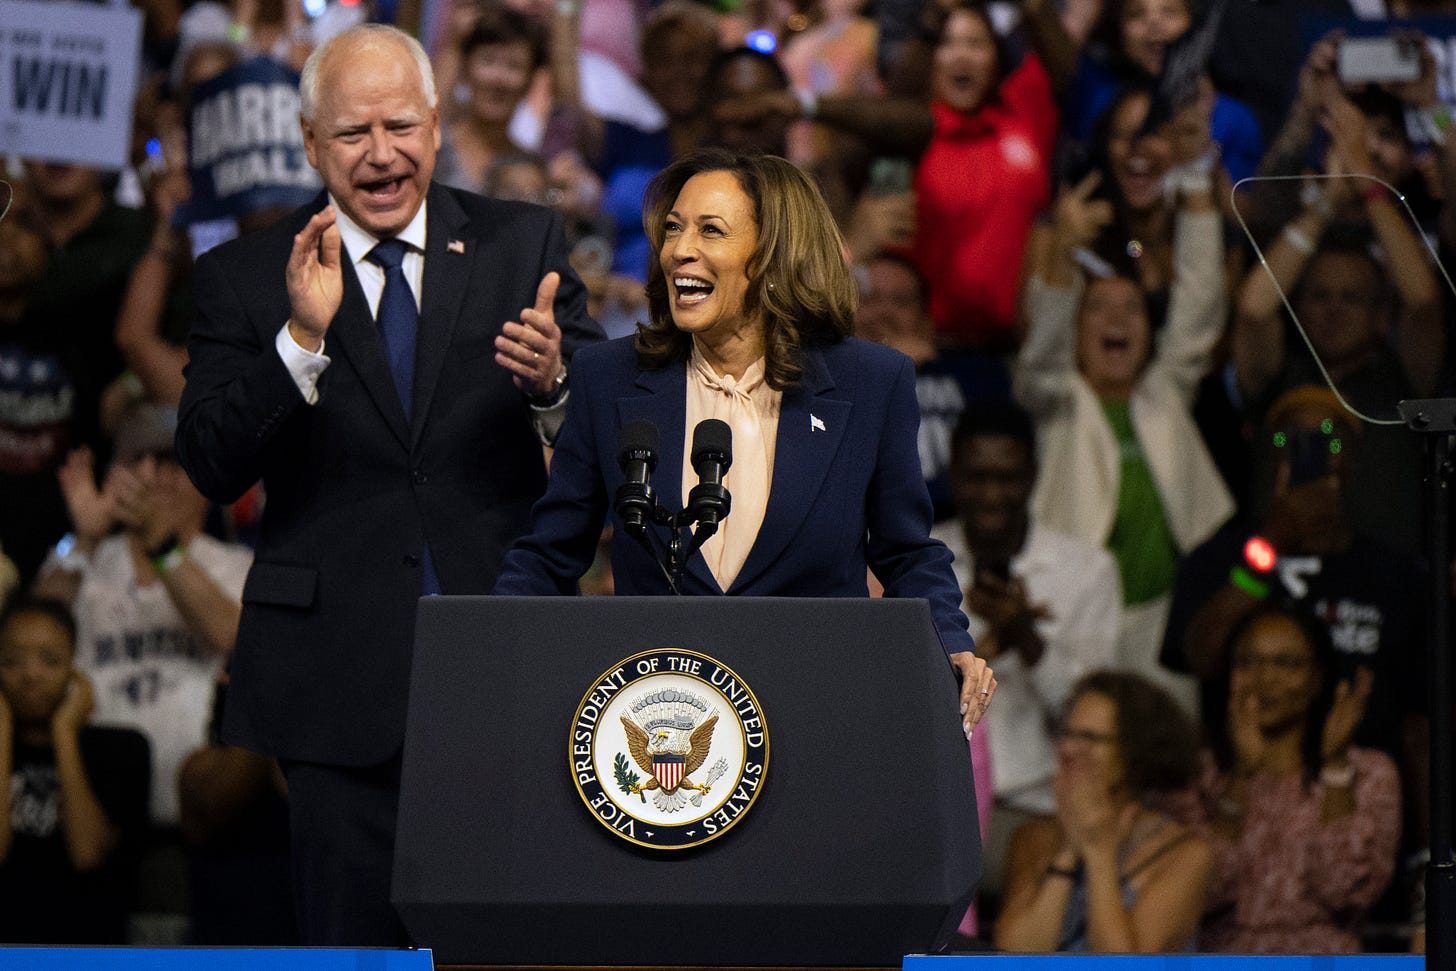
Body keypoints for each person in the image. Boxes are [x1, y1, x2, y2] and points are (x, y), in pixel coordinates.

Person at [174, 23, 602, 945]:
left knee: (505, 945)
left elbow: (611, 439)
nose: (381, 154)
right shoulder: (245, 276)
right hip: (334, 678)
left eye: (400, 126)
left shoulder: (520, 245)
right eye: (353, 134)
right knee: (349, 941)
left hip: (503, 664)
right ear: (309, 144)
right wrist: (298, 345)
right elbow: (210, 459)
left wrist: (557, 386)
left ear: (438, 126)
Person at [494, 148, 995, 733]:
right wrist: (491, 643)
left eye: (711, 230)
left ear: (773, 256)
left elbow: (907, 552)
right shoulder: (610, 377)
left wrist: (951, 643)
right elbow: (551, 552)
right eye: (675, 229)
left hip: (818, 715)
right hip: (662, 730)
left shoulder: (871, 384)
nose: (680, 250)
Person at [1016, 149, 1231, 713]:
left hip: (1164, 621)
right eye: (1098, 310)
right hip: (1077, 618)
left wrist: (1196, 186)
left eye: (1132, 310)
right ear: (1076, 327)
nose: (1116, 322)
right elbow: (1040, 354)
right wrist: (1062, 250)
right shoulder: (1056, 402)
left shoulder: (1164, 395)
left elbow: (1199, 309)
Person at [930, 401, 1120, 898]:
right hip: (939, 804)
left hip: (1040, 808)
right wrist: (994, 638)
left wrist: (1030, 641)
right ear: (953, 475)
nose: (992, 495)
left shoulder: (1086, 572)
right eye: (976, 478)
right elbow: (903, 704)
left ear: (1033, 476)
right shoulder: (923, 563)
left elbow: (1091, 719)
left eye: (1008, 478)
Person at [1188, 603, 1400, 953]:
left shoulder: (1369, 773)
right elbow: (1201, 892)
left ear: (1318, 678)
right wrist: (1240, 777)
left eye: (1287, 664)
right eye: (1248, 662)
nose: (1265, 678)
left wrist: (1335, 767)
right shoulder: (1200, 774)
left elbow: (1343, 891)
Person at [994, 670, 1211, 952]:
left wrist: (1100, 856)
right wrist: (1070, 849)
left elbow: (1120, 966)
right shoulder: (1034, 837)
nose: (1070, 750)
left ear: (1135, 752)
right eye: (1067, 734)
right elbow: (1016, 956)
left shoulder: (1186, 855)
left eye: (1090, 738)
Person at [0, 597, 151, 944]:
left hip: (86, 950)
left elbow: (87, 855)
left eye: (50, 660)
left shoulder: (122, 749)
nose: (31, 675)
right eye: (12, 661)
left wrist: (64, 732)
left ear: (74, 666)